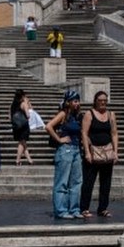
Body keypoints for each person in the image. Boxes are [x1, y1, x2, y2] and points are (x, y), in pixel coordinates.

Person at [79, 91, 118, 218]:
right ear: (95, 100)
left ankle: (103, 208)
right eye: (100, 100)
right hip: (93, 152)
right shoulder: (89, 114)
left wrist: (116, 151)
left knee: (106, 182)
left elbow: (114, 133)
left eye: (105, 100)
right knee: (88, 182)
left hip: (107, 152)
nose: (103, 102)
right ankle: (84, 208)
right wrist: (87, 152)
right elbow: (84, 133)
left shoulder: (111, 115)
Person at [46, 90, 84, 219]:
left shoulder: (77, 116)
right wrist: (59, 139)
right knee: (62, 181)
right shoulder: (63, 114)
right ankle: (61, 210)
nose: (77, 104)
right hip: (65, 150)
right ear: (68, 102)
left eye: (78, 101)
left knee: (76, 181)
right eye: (75, 101)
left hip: (76, 150)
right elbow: (49, 126)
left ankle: (74, 209)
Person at [9, 89, 34, 165]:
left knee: (22, 142)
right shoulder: (23, 104)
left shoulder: (13, 105)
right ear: (23, 96)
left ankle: (29, 160)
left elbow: (9, 116)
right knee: (22, 142)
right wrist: (28, 103)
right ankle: (18, 160)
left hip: (16, 126)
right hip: (24, 126)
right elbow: (28, 114)